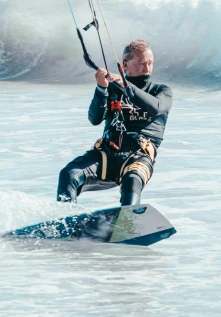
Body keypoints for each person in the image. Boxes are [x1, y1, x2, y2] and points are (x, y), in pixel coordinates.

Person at [57, 39, 173, 207]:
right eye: (141, 63)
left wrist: (126, 86)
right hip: (107, 154)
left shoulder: (161, 91)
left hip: (138, 155)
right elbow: (95, 119)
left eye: (150, 63)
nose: (147, 68)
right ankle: (64, 222)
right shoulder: (112, 89)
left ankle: (128, 223)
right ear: (125, 64)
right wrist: (101, 88)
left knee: (132, 180)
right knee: (69, 174)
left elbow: (156, 107)